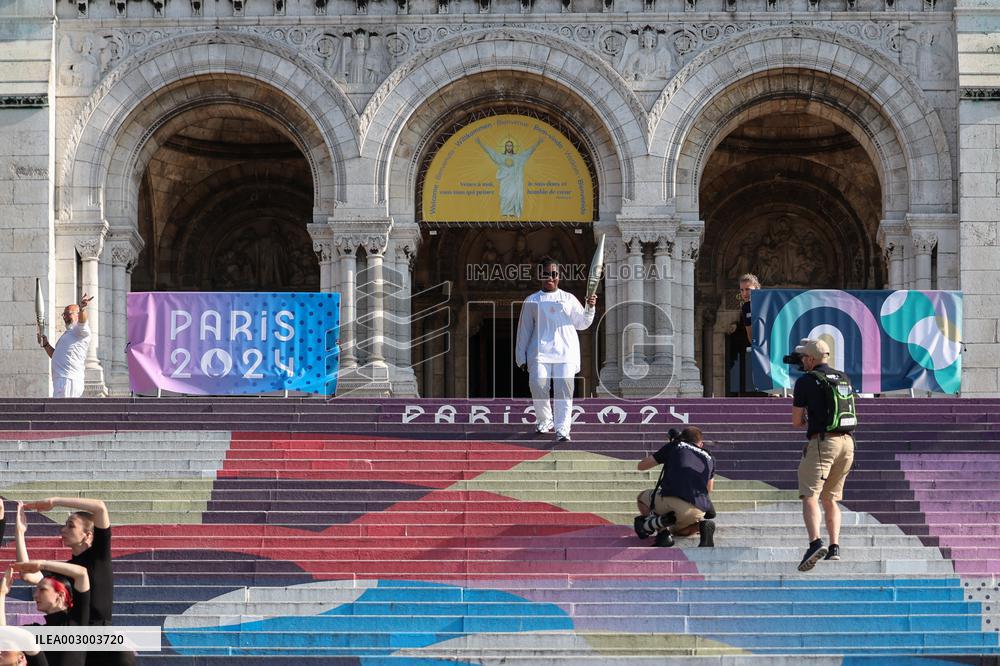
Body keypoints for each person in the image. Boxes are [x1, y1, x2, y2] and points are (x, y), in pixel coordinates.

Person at [17, 500, 134, 666]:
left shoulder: (98, 558)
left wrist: (54, 501)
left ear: (88, 535)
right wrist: (20, 532)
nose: (63, 530)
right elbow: (29, 574)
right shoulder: (65, 569)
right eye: (64, 525)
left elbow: (100, 507)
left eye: (70, 526)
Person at [791, 339, 856, 571]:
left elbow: (796, 421)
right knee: (831, 498)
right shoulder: (843, 377)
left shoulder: (806, 381)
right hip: (848, 443)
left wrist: (810, 418)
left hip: (823, 442)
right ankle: (835, 547)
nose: (801, 362)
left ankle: (815, 542)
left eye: (802, 358)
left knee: (810, 495)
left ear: (810, 359)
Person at [515, 257, 597, 442]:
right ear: (539, 276)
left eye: (553, 274)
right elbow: (524, 329)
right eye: (546, 274)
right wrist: (521, 357)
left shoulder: (568, 298)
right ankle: (544, 420)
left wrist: (590, 307)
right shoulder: (532, 300)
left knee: (563, 391)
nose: (550, 277)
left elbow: (582, 323)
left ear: (559, 276)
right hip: (539, 352)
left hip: (566, 353)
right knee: (538, 385)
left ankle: (562, 428)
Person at [633, 426, 716, 548]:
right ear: (701, 443)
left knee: (642, 498)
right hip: (698, 509)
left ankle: (663, 533)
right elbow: (709, 489)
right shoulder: (710, 458)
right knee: (678, 531)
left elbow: (642, 466)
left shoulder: (676, 445)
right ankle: (702, 526)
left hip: (672, 501)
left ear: (682, 437)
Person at [1, 561, 88, 666]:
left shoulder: (76, 621)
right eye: (36, 590)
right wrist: (2, 594)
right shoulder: (35, 631)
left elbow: (81, 574)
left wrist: (42, 565)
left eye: (42, 590)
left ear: (60, 595)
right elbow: (4, 632)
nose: (35, 595)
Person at [38, 295, 93, 398]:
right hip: (61, 379)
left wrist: (82, 308)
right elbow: (56, 356)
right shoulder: (68, 334)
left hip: (68, 379)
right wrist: (46, 344)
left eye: (68, 313)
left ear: (77, 314)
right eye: (64, 314)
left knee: (63, 412)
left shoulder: (80, 331)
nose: (64, 317)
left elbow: (83, 321)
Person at [476, 137, 542, 218]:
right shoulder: (501, 157)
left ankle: (511, 212)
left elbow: (529, 152)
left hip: (514, 181)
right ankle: (504, 212)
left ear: (512, 147)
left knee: (513, 195)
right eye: (507, 146)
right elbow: (491, 152)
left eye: (510, 146)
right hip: (505, 181)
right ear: (505, 147)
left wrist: (538, 143)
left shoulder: (518, 157)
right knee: (504, 195)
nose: (509, 147)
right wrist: (481, 143)